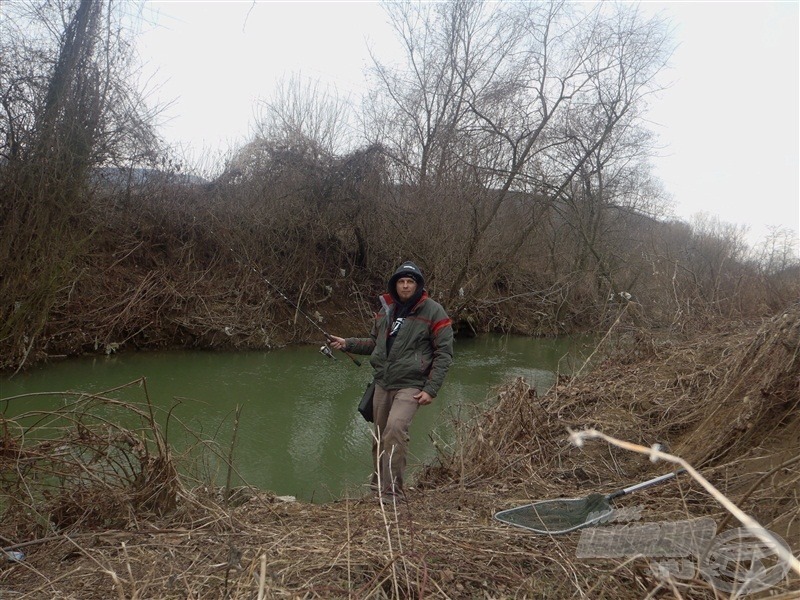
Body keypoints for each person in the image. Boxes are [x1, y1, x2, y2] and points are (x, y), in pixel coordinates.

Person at [330, 260, 454, 498]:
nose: (405, 286)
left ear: (418, 285)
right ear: (394, 285)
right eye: (401, 282)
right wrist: (348, 343)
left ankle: (392, 493)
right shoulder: (386, 309)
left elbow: (444, 353)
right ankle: (376, 489)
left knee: (395, 430)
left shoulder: (434, 311)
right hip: (382, 382)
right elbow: (376, 345)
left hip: (411, 385)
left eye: (410, 282)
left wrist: (431, 388)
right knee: (379, 438)